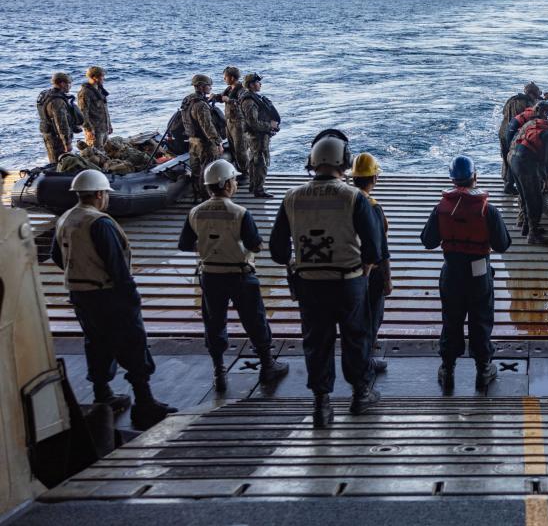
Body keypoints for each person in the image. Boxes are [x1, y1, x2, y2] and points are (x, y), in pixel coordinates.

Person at [269, 131, 385, 428]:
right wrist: (364, 271)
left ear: (312, 162)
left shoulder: (292, 198)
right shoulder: (354, 197)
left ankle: (322, 404)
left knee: (316, 341)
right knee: (355, 337)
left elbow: (278, 250)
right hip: (348, 281)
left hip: (310, 284)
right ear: (343, 161)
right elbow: (374, 249)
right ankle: (360, 394)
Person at [50, 170, 176, 429]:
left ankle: (103, 395)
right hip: (108, 295)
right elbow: (117, 267)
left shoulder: (66, 218)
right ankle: (144, 403)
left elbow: (56, 255)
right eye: (106, 194)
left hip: (80, 295)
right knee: (132, 343)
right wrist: (132, 299)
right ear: (99, 194)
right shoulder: (100, 222)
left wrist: (81, 273)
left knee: (96, 342)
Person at [178, 159, 289, 393]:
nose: (236, 184)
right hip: (240, 275)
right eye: (234, 180)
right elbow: (255, 245)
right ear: (227, 184)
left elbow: (185, 244)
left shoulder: (195, 212)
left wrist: (209, 246)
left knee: (214, 323)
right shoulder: (240, 213)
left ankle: (219, 371)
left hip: (210, 275)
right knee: (255, 320)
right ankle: (267, 365)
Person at [421, 155, 512, 393]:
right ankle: (483, 369)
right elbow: (503, 245)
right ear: (475, 177)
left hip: (451, 272)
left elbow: (428, 241)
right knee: (481, 320)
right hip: (479, 272)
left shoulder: (441, 208)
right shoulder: (487, 209)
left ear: (452, 179)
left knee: (451, 320)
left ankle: (447, 368)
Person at [350, 152, 392, 377]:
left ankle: (358, 358)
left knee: (353, 319)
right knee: (372, 317)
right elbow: (380, 248)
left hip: (346, 269)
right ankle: (365, 364)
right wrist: (387, 279)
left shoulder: (344, 200)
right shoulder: (372, 207)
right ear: (374, 178)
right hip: (369, 272)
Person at [508, 109, 548, 245]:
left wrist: (545, 177)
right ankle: (533, 235)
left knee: (526, 197)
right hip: (525, 164)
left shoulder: (536, 124)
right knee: (535, 200)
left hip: (514, 159)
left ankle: (527, 227)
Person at [180, 74, 224, 202]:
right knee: (208, 170)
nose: (210, 88)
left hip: (192, 141)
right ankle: (206, 198)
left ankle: (196, 196)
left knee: (196, 170)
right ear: (201, 86)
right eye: (208, 85)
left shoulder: (187, 100)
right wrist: (217, 142)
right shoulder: (201, 105)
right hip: (204, 143)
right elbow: (207, 126)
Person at [239, 73, 281, 198]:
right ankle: (258, 189)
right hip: (257, 137)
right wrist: (270, 126)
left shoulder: (254, 98)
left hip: (259, 135)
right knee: (259, 162)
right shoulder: (249, 101)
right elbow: (253, 123)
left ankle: (255, 186)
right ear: (251, 85)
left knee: (255, 160)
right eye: (258, 82)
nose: (260, 84)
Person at [498, 82, 543, 194]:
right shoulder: (527, 104)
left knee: (506, 157)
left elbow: (504, 112)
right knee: (514, 157)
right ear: (533, 93)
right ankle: (509, 185)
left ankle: (506, 181)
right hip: (514, 133)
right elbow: (530, 119)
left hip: (504, 131)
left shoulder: (512, 99)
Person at [213, 66, 249, 178]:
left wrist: (229, 100)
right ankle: (237, 169)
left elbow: (242, 102)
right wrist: (215, 97)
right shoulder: (229, 89)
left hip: (238, 122)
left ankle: (244, 171)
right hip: (229, 122)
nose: (224, 79)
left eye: (225, 77)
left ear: (232, 77)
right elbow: (222, 97)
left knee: (240, 148)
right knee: (232, 146)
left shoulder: (242, 89)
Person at [37, 72, 81, 164]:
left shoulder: (46, 94)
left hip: (49, 133)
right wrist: (67, 143)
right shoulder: (57, 101)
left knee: (54, 160)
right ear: (62, 84)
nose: (70, 86)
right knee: (60, 162)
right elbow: (61, 123)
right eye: (69, 83)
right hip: (57, 138)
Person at [77, 66, 113, 150]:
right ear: (94, 77)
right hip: (94, 129)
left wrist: (109, 125)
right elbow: (83, 113)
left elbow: (105, 109)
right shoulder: (85, 92)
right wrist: (88, 129)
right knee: (95, 154)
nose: (104, 78)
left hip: (103, 127)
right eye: (102, 76)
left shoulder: (99, 90)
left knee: (104, 152)